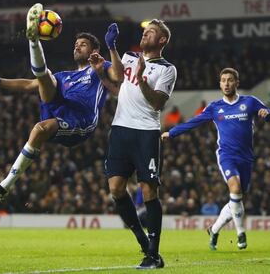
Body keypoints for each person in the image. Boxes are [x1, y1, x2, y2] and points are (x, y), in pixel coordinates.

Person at [0, 3, 123, 204]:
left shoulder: (99, 67)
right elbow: (29, 84)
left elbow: (118, 76)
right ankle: (33, 40)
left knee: (39, 129)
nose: (77, 46)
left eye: (83, 44)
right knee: (49, 77)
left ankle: (4, 187)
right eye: (76, 44)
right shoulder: (65, 75)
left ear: (95, 50)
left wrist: (112, 48)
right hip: (59, 111)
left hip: (81, 120)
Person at [162, 67, 270, 251]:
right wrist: (172, 133)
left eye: (230, 80)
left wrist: (266, 115)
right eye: (223, 80)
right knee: (235, 189)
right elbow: (193, 122)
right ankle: (240, 233)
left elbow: (266, 111)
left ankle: (214, 229)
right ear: (220, 84)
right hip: (226, 155)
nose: (226, 83)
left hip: (246, 158)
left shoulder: (250, 102)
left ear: (237, 82)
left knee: (236, 198)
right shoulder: (214, 107)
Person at [99, 20, 176, 269]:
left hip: (146, 132)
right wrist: (111, 49)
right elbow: (118, 79)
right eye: (144, 32)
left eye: (151, 32)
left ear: (162, 40)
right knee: (116, 188)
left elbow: (157, 103)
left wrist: (143, 78)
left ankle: (153, 254)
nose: (145, 34)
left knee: (148, 190)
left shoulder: (167, 69)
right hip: (120, 129)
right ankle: (143, 242)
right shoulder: (130, 56)